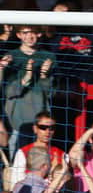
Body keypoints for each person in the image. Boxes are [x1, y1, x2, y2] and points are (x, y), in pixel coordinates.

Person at [0, 25, 56, 159]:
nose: (30, 36)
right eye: (25, 32)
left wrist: (43, 75)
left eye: (34, 32)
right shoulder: (10, 56)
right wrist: (24, 79)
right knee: (17, 159)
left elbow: (51, 92)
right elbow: (7, 91)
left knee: (41, 158)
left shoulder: (48, 57)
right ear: (19, 35)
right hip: (15, 119)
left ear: (39, 34)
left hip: (39, 117)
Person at [10, 111, 65, 190]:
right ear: (35, 128)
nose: (48, 131)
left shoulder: (61, 154)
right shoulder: (23, 152)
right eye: (43, 127)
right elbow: (16, 182)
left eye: (52, 128)